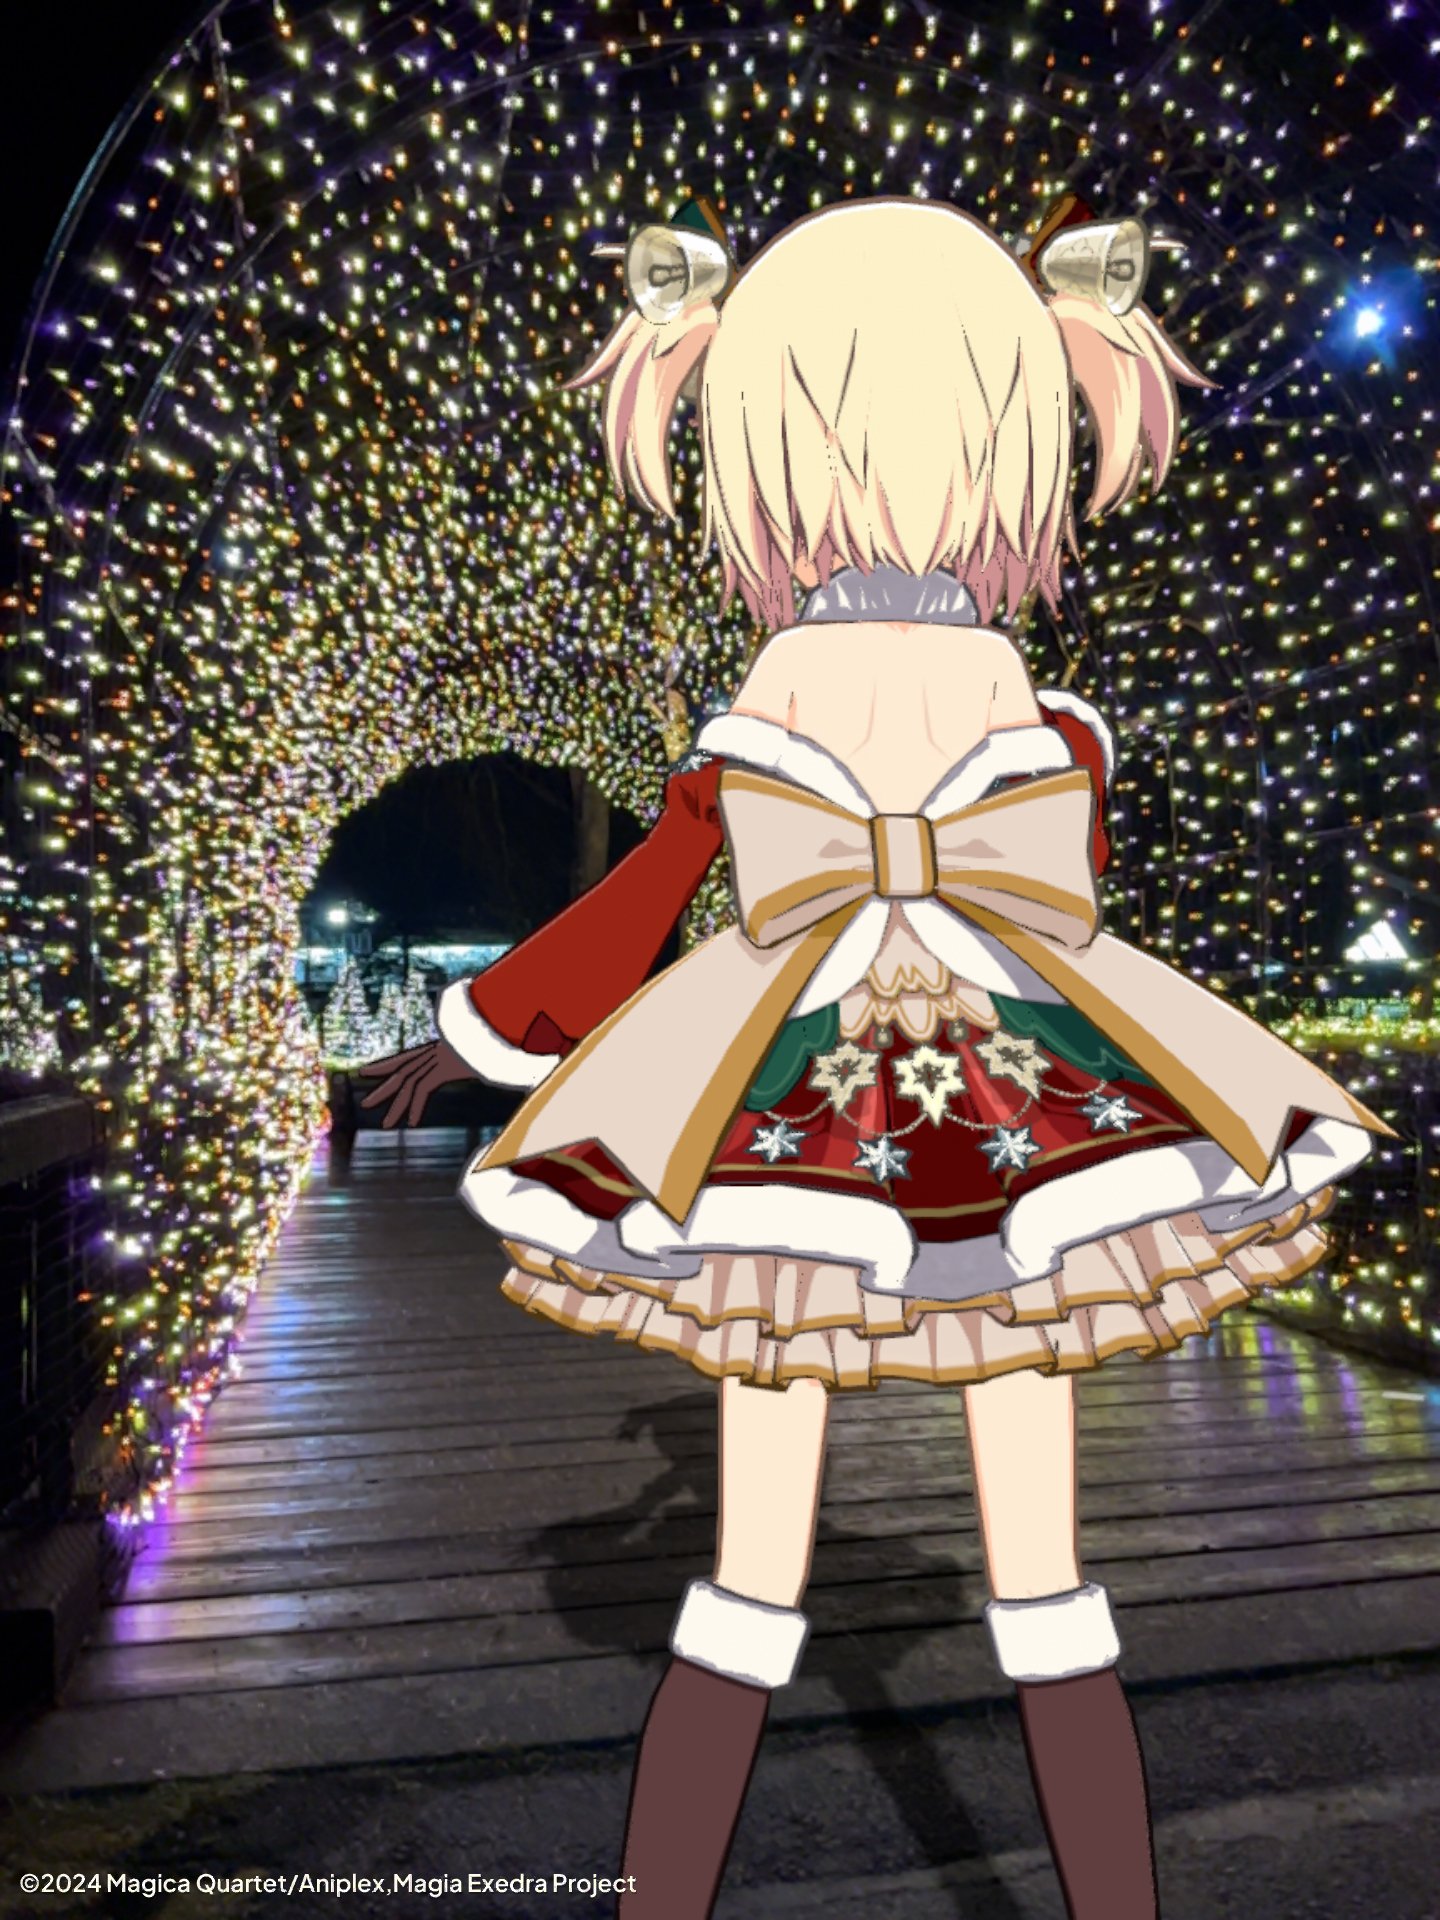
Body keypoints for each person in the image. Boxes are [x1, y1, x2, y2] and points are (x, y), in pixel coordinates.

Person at [358, 196, 1390, 1920]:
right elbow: (1064, 899)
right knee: (1041, 1568)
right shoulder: (1027, 699)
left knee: (752, 1574)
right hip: (1032, 1116)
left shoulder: (780, 684)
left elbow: (646, 896)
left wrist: (478, 1035)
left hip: (789, 1123)